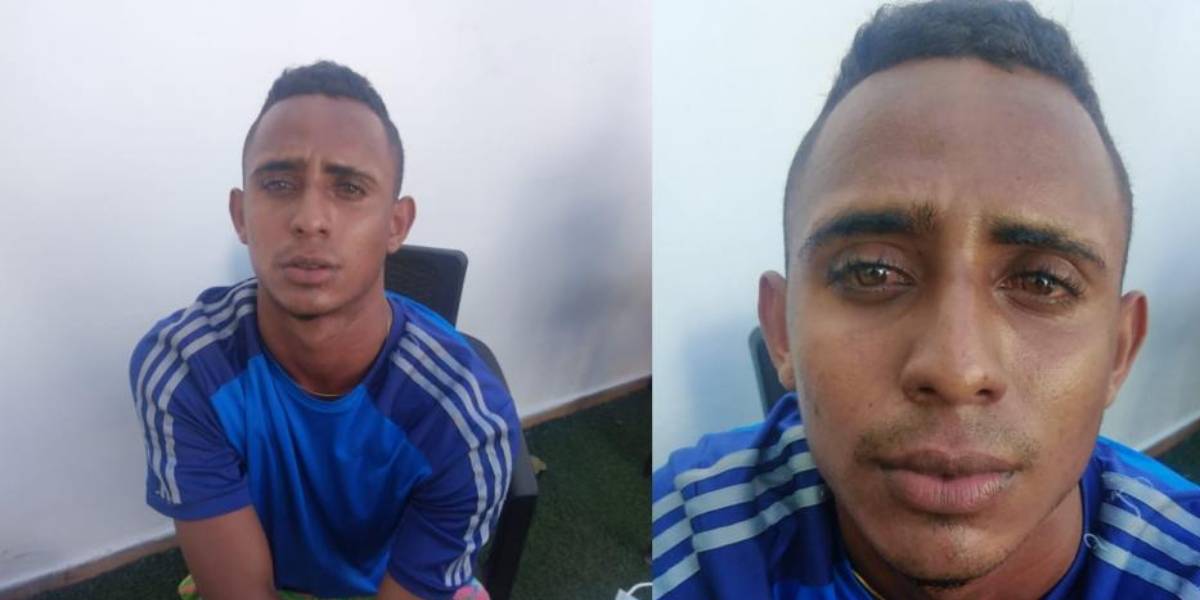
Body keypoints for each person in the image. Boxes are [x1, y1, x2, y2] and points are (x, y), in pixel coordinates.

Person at [652, 1, 1199, 598]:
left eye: (1043, 282)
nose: (956, 371)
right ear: (781, 331)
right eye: (872, 271)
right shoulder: (690, 536)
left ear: (1118, 353)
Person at [129, 61, 518, 600]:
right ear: (240, 215)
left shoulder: (467, 423)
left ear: (396, 224)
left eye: (350, 187)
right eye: (278, 183)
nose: (310, 219)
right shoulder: (184, 368)